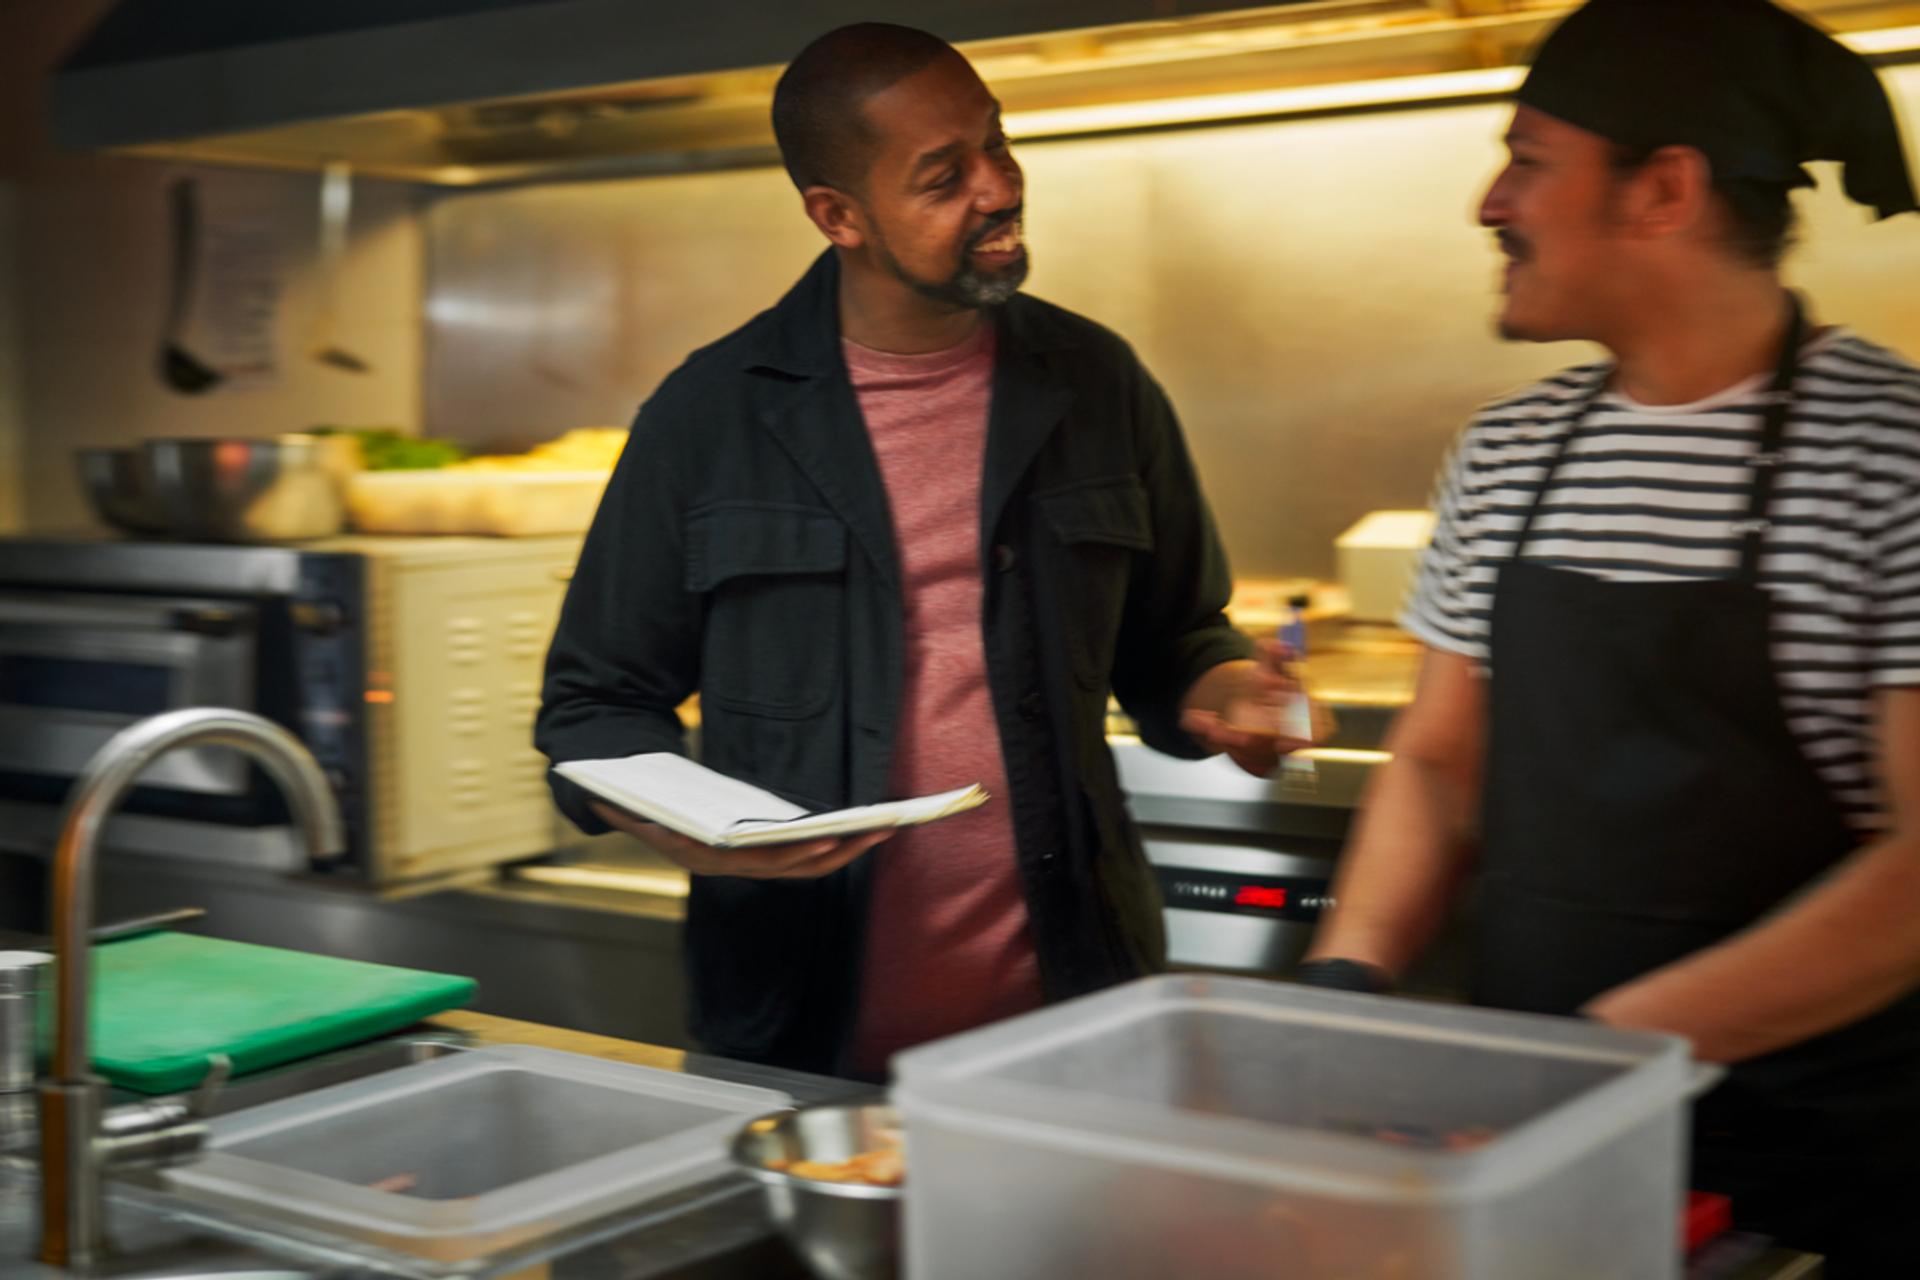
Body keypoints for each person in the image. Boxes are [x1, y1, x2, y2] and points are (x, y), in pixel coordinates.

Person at [536, 23, 1298, 1079]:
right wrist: (682, 827)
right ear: (838, 216)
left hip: (1076, 1021)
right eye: (945, 176)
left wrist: (1233, 693)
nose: (996, 187)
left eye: (998, 144)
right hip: (800, 1039)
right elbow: (594, 705)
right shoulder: (710, 417)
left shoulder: (1096, 380)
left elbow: (1178, 636)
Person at [1301, 0, 1920, 1269]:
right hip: (1532, 1144)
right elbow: (1435, 760)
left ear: (1665, 191)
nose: (1490, 202)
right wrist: (1345, 984)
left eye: (1529, 160)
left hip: (1807, 1168)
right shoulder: (1511, 452)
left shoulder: (1885, 450)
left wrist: (1611, 1051)